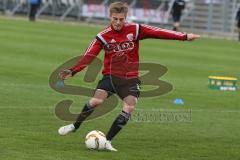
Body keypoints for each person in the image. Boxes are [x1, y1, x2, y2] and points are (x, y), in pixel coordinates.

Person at [58, 2, 200, 151]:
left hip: (131, 78)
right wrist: (73, 70)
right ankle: (74, 126)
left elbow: (159, 32)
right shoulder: (103, 36)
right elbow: (89, 55)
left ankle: (107, 141)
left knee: (129, 107)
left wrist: (184, 36)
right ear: (110, 17)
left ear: (125, 17)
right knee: (95, 101)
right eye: (115, 19)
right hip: (111, 77)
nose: (118, 22)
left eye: (121, 19)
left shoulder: (136, 29)